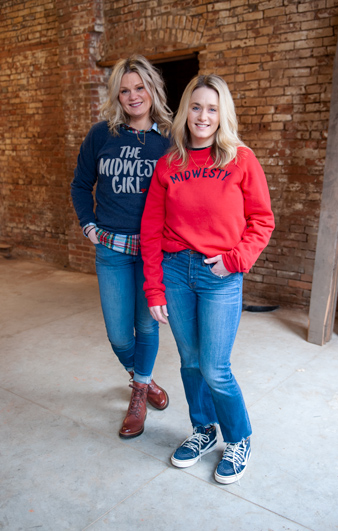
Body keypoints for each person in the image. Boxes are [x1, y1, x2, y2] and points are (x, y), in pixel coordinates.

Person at [140, 74, 274, 484]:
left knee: (216, 367)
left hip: (220, 274)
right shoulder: (169, 163)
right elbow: (150, 228)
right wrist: (154, 286)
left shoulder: (241, 159)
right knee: (191, 362)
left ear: (222, 115)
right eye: (196, 107)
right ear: (185, 112)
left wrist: (235, 260)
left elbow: (262, 221)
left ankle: (239, 438)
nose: (203, 115)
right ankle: (202, 430)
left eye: (212, 109)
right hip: (176, 271)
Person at [71, 55, 172, 439]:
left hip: (153, 251)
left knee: (147, 327)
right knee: (118, 334)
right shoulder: (101, 135)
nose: (133, 96)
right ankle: (144, 381)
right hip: (111, 248)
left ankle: (138, 395)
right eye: (125, 89)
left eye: (140, 87)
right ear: (116, 94)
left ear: (152, 89)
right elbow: (80, 184)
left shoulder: (168, 140)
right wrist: (89, 226)